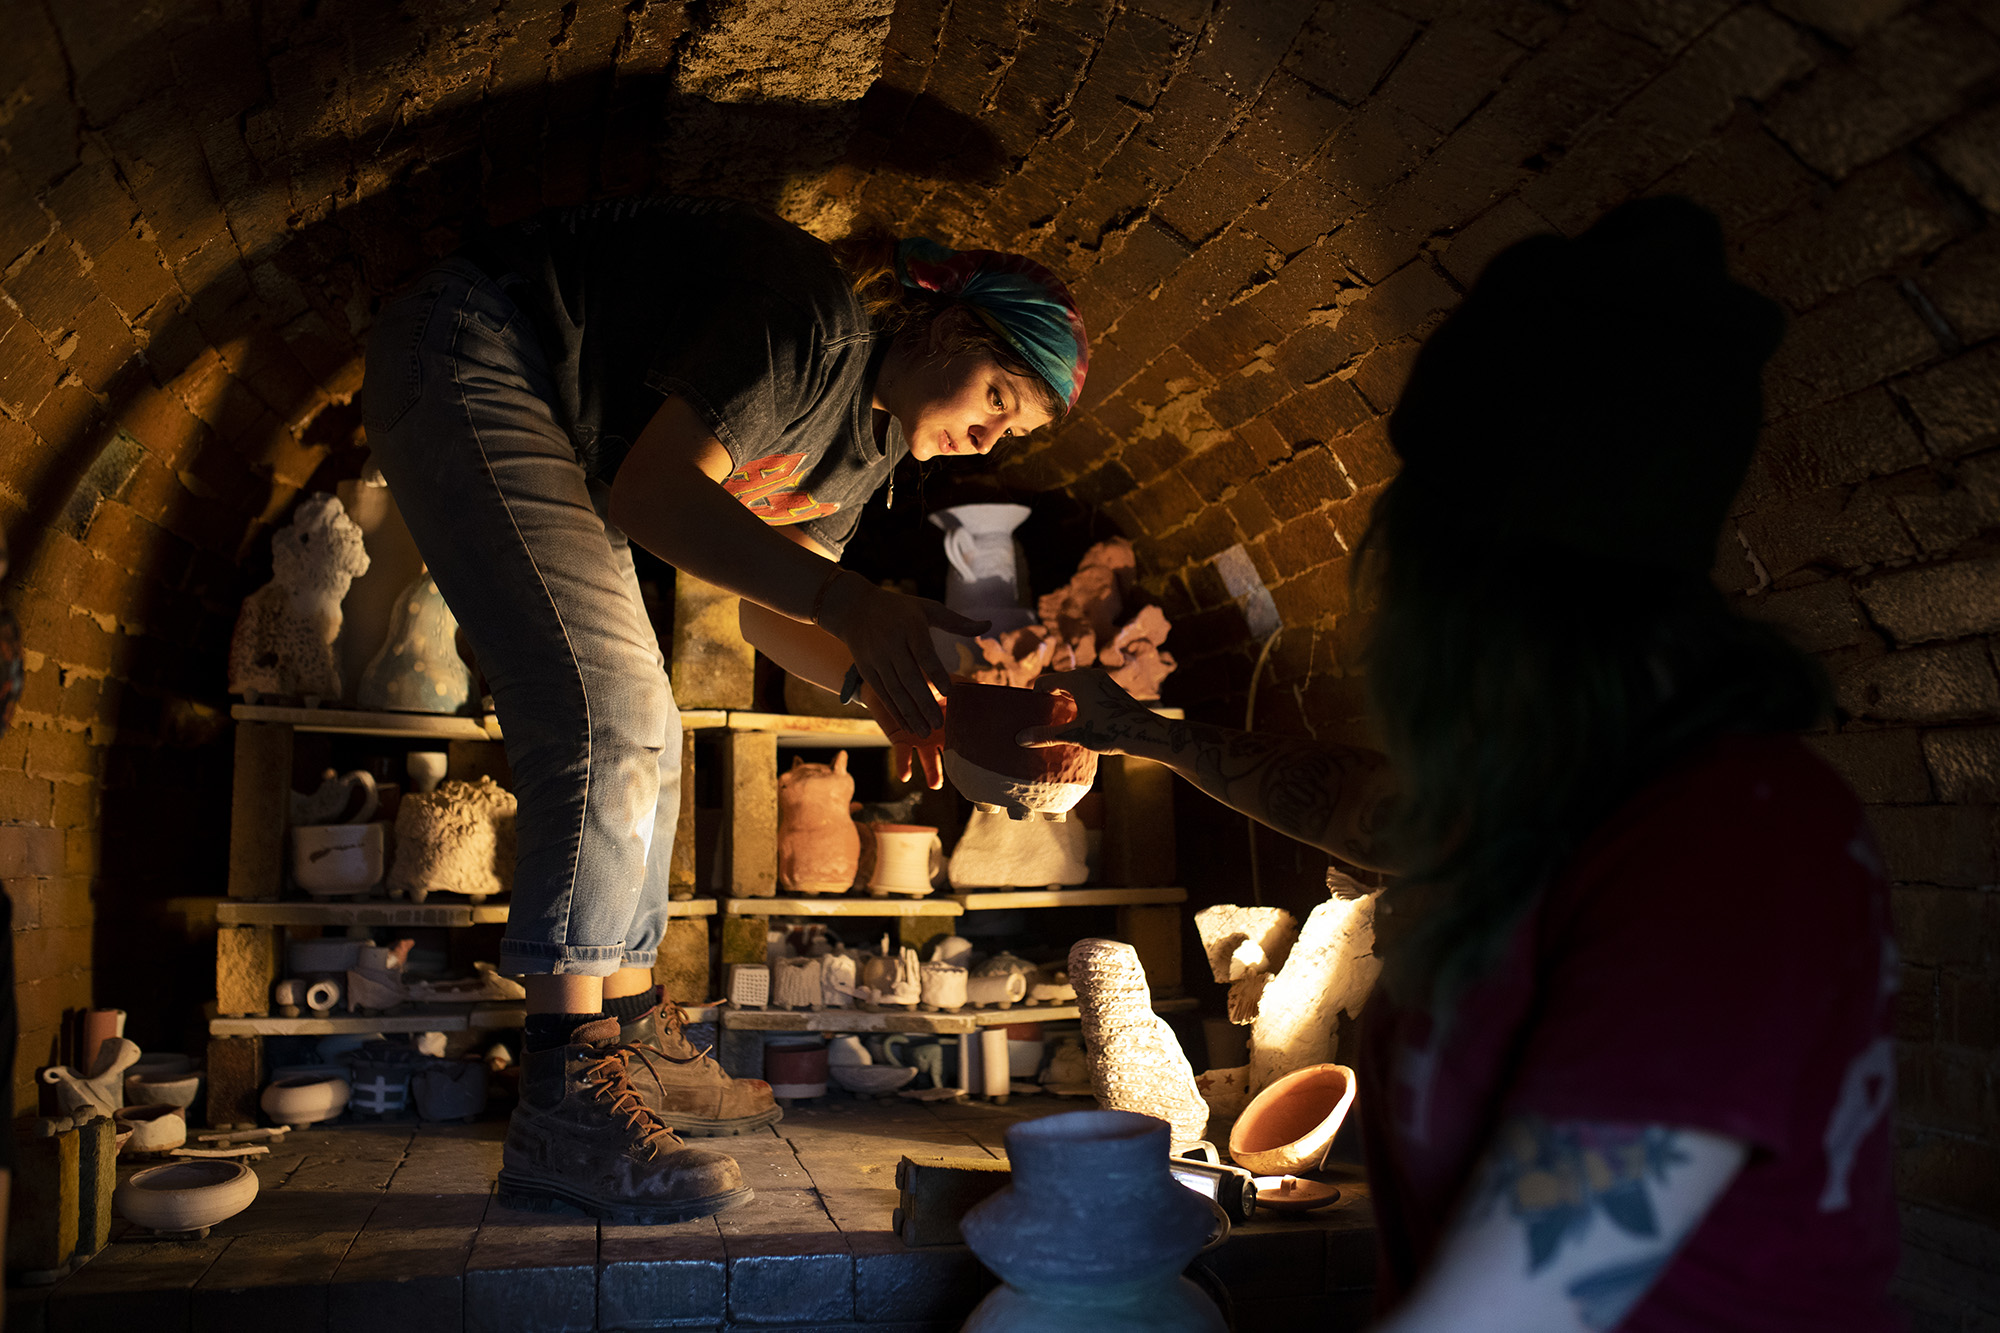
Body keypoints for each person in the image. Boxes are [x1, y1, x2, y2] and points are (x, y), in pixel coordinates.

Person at [1025, 198, 1900, 1331]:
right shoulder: (1536, 799)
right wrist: (1139, 732)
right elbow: (1346, 804)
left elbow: (1518, 1304)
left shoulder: (1728, 841)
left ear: (1468, 573)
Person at [361, 195, 1086, 1221]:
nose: (991, 433)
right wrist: (853, 603)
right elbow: (655, 497)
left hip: (555, 426)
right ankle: (566, 1089)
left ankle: (631, 1029)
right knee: (601, 704)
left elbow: (766, 619)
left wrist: (887, 675)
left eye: (1014, 427)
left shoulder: (865, 454)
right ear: (950, 328)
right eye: (1000, 392)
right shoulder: (810, 321)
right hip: (476, 348)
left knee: (645, 722)